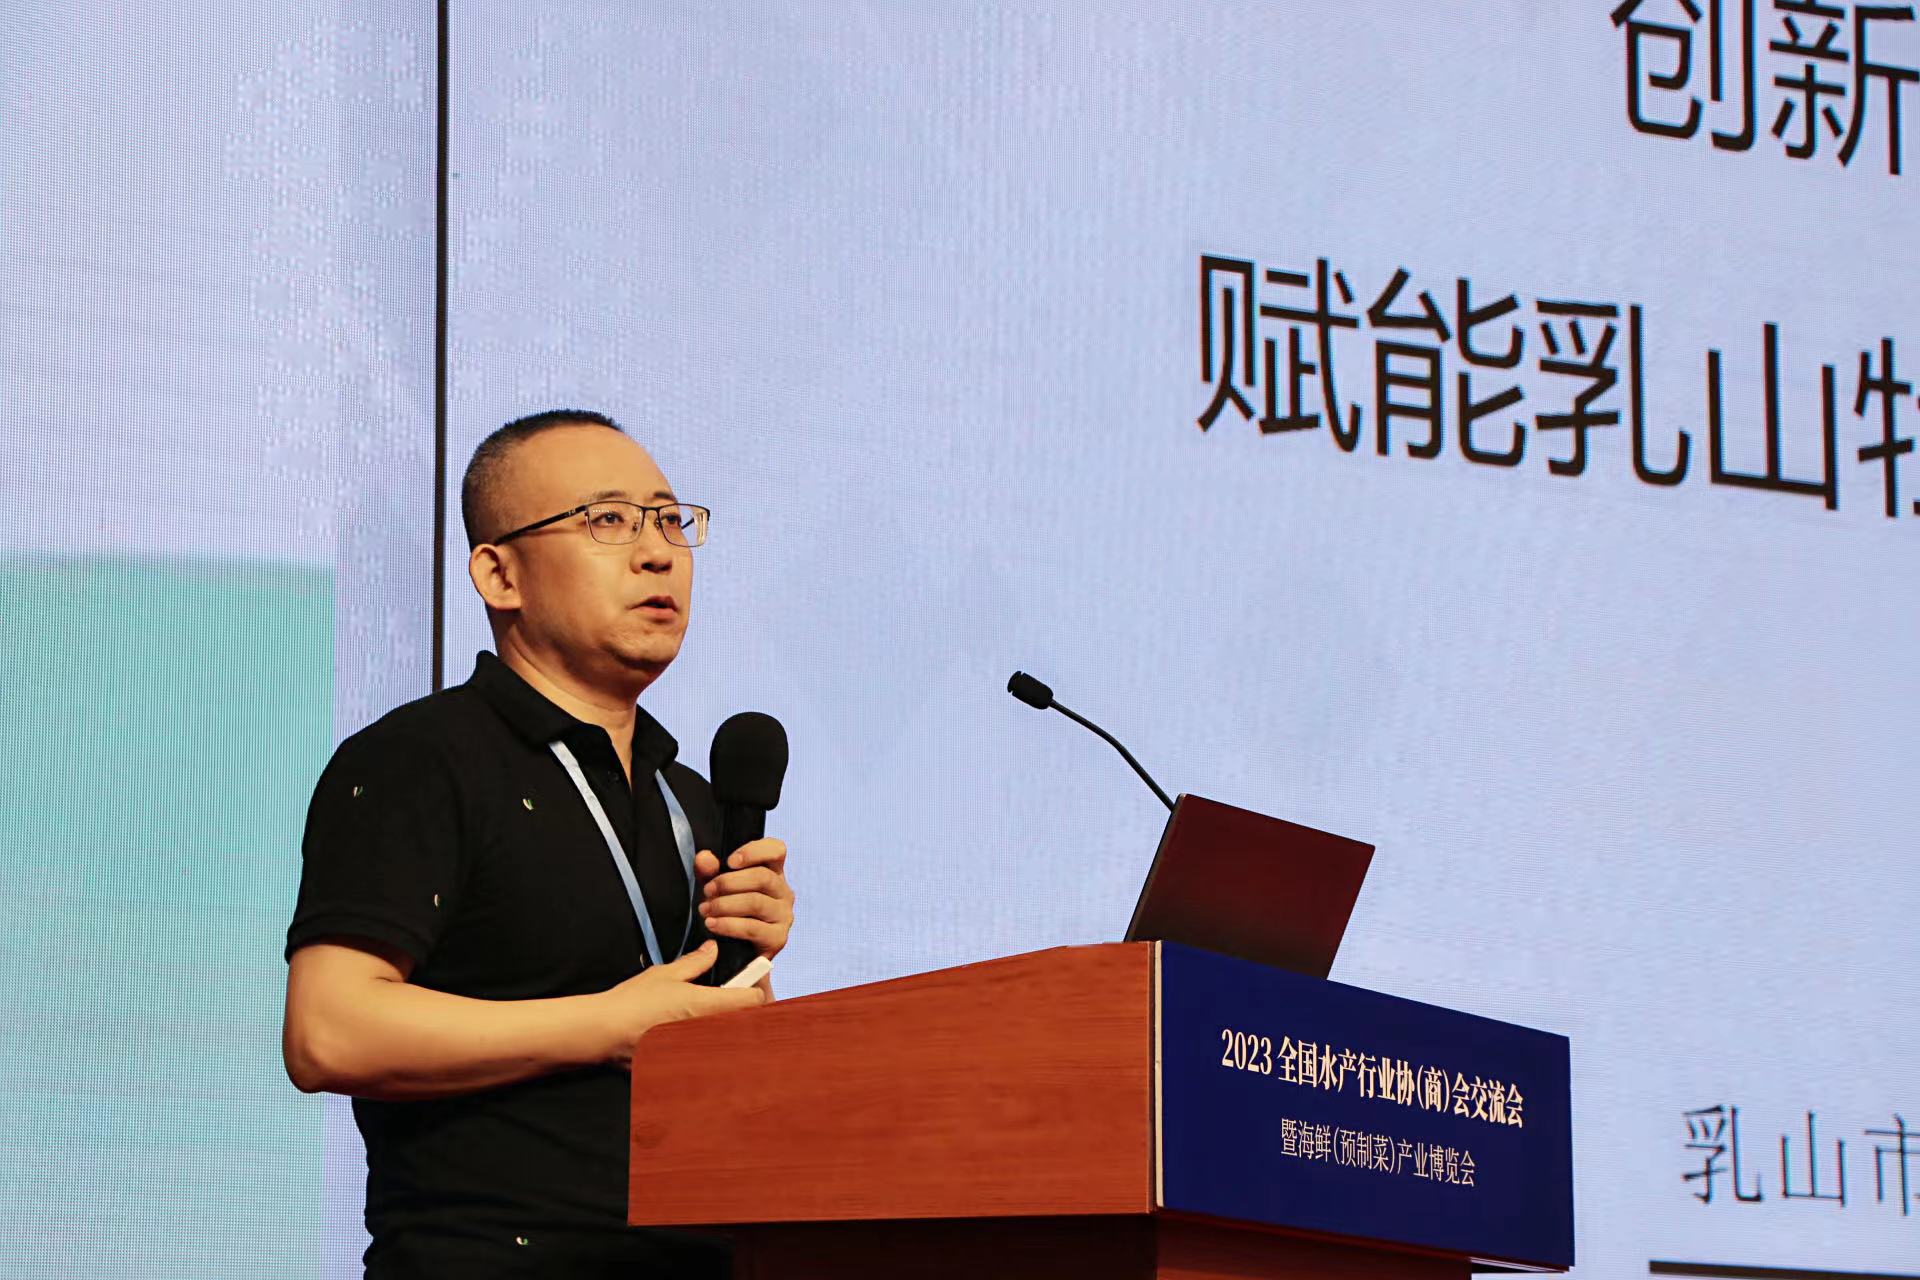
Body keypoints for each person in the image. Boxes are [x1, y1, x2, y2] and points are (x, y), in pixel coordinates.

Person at [282, 409, 795, 1278]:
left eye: (671, 521)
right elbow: (327, 1031)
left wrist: (747, 973)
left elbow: (709, 1066)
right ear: (500, 574)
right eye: (609, 520)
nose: (658, 552)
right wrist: (609, 1025)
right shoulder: (423, 759)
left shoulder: (689, 799)